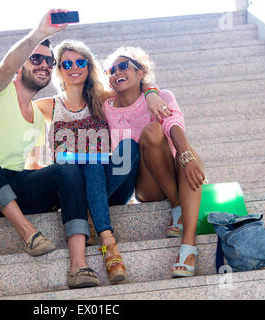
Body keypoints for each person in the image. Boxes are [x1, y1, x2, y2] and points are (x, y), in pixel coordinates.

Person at [0, 10, 100, 289]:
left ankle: (79, 265)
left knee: (67, 169)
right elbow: (7, 64)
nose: (43, 65)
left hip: (12, 190)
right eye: (36, 58)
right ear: (21, 65)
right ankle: (28, 233)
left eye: (49, 62)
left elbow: (33, 171)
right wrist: (40, 34)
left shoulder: (39, 118)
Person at [33, 40, 170, 283]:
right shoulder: (49, 106)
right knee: (89, 163)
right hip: (74, 189)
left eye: (80, 61)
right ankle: (109, 246)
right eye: (67, 63)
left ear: (88, 66)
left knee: (125, 149)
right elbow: (21, 110)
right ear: (59, 70)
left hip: (111, 186)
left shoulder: (103, 100)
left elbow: (138, 83)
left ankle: (91, 217)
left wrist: (150, 93)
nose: (74, 67)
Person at [103, 47, 206, 278]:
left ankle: (188, 247)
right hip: (145, 182)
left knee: (187, 152)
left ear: (141, 73)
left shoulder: (163, 95)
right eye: (111, 70)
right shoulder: (106, 108)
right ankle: (176, 203)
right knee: (150, 132)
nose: (117, 71)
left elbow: (173, 123)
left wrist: (187, 157)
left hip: (173, 167)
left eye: (124, 66)